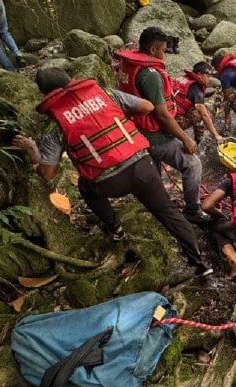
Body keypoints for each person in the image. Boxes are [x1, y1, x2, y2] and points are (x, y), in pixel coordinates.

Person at [11, 68, 208, 273]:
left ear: (45, 94)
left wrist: (33, 152)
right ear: (71, 79)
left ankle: (116, 230)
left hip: (108, 182)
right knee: (168, 212)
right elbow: (147, 106)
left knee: (84, 186)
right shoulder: (106, 94)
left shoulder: (54, 125)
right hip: (142, 168)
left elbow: (47, 174)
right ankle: (200, 264)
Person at [114, 27, 214, 223]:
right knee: (193, 164)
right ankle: (192, 211)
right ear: (153, 50)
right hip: (153, 135)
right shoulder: (150, 75)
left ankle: (156, 201)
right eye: (163, 50)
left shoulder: (129, 64)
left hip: (135, 130)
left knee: (154, 168)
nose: (164, 55)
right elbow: (161, 115)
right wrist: (185, 138)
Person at [173, 61, 223, 145]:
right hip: (172, 121)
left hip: (167, 112)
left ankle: (196, 138)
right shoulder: (196, 89)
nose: (209, 79)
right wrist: (216, 135)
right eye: (207, 76)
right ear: (199, 74)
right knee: (202, 114)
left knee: (198, 110)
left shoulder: (184, 79)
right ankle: (198, 141)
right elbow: (204, 115)